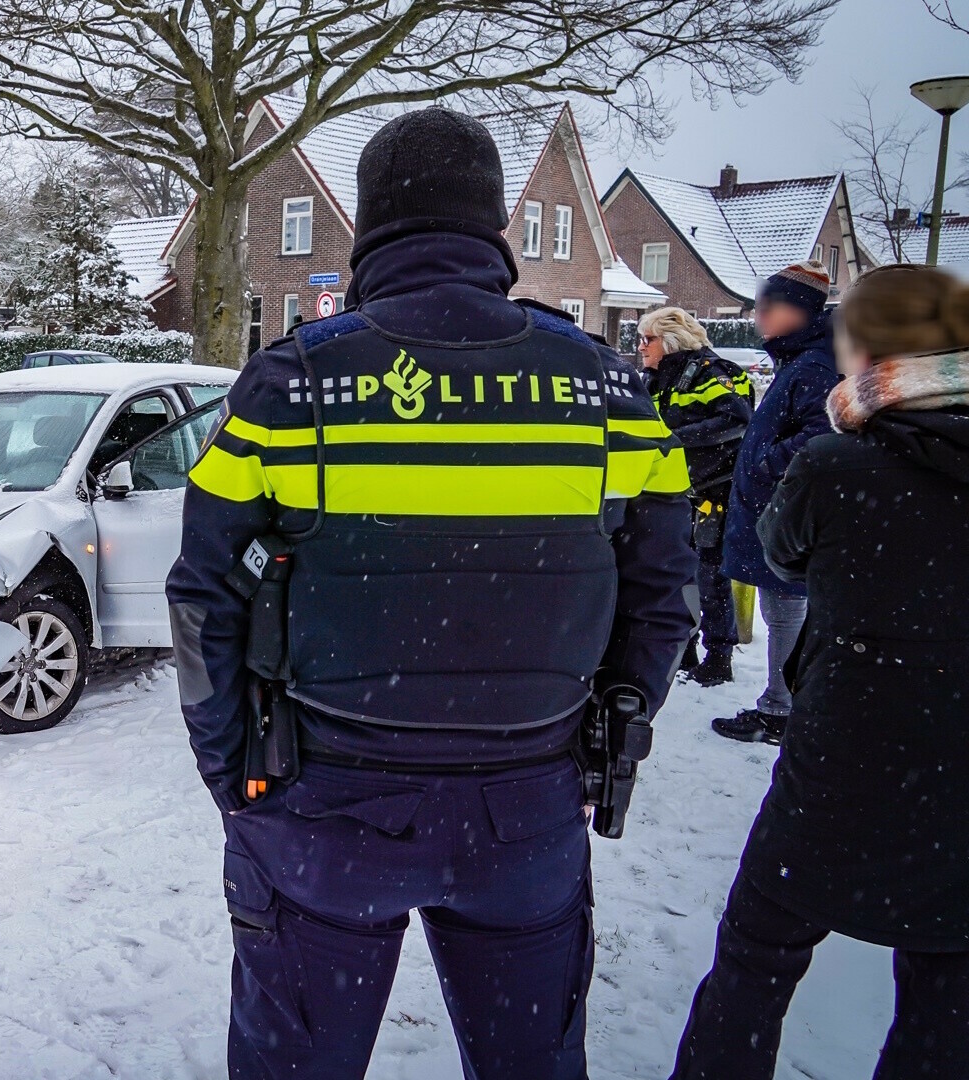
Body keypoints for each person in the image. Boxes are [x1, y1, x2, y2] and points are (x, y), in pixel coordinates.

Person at [167, 108, 697, 1080]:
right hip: (528, 809)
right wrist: (608, 735)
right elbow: (663, 593)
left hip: (322, 806)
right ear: (494, 223)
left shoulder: (293, 384)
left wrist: (232, 777)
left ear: (369, 227)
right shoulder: (609, 391)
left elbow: (204, 596)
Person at [669, 264, 969, 1079]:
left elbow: (781, 550)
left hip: (844, 756)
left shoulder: (842, 467)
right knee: (945, 995)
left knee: (756, 960)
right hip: (958, 783)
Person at [712, 261, 842, 743]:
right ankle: (784, 702)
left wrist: (765, 463)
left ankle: (781, 709)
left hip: (784, 515)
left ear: (798, 311)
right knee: (784, 609)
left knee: (787, 608)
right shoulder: (802, 359)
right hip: (778, 510)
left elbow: (821, 435)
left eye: (769, 306)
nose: (758, 316)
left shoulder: (814, 365)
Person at [637, 307, 755, 687]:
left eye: (648, 339)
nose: (641, 348)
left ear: (670, 341)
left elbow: (737, 418)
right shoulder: (653, 378)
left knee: (710, 576)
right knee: (673, 573)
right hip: (670, 491)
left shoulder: (711, 373)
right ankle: (684, 647)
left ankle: (719, 655)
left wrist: (676, 440)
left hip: (713, 491)